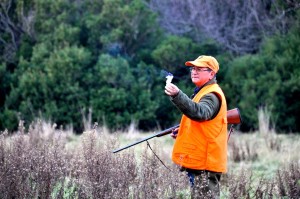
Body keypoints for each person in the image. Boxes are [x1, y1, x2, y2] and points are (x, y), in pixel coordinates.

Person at [164, 55, 227, 199]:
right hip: (200, 161)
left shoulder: (212, 94)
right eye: (193, 68)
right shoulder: (202, 91)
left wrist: (178, 95)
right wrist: (184, 130)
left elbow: (201, 113)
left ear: (211, 73)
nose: (194, 71)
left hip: (206, 163)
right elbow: (205, 122)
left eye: (199, 68)